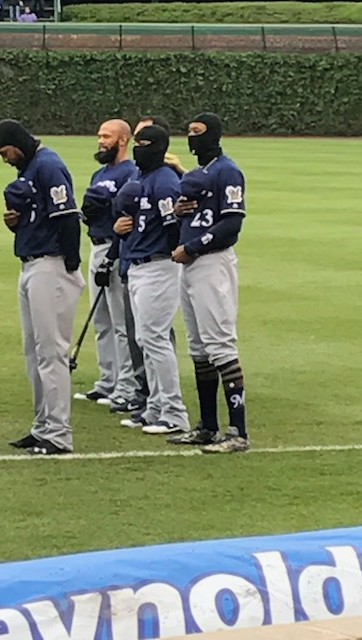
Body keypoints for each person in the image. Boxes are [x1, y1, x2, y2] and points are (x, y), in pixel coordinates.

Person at [0, 119, 84, 456]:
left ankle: (58, 434)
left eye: (6, 151)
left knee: (51, 351)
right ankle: (43, 425)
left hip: (51, 265)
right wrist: (15, 225)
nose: (5, 159)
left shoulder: (48, 165)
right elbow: (37, 216)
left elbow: (68, 217)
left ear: (17, 142)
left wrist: (69, 264)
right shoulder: (30, 167)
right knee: (33, 351)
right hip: (32, 264)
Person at [168, 112, 250, 453]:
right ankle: (207, 426)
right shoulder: (199, 174)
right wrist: (179, 212)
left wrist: (192, 246)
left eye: (198, 132)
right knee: (199, 348)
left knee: (219, 345)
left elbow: (231, 225)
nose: (192, 137)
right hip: (191, 266)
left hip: (212, 263)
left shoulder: (227, 171)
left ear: (214, 134)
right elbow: (197, 214)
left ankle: (238, 432)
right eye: (189, 131)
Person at [113, 125, 190, 435]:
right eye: (137, 143)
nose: (138, 148)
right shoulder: (141, 178)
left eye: (145, 143)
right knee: (145, 339)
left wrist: (168, 252)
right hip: (138, 264)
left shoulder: (165, 181)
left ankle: (174, 412)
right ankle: (155, 407)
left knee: (155, 338)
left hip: (159, 265)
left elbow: (174, 226)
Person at [73, 119, 138, 413]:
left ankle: (126, 385)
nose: (100, 141)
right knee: (101, 319)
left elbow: (128, 214)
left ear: (122, 140)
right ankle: (107, 380)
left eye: (106, 136)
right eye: (99, 135)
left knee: (120, 321)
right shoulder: (99, 173)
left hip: (116, 248)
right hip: (95, 244)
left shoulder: (130, 172)